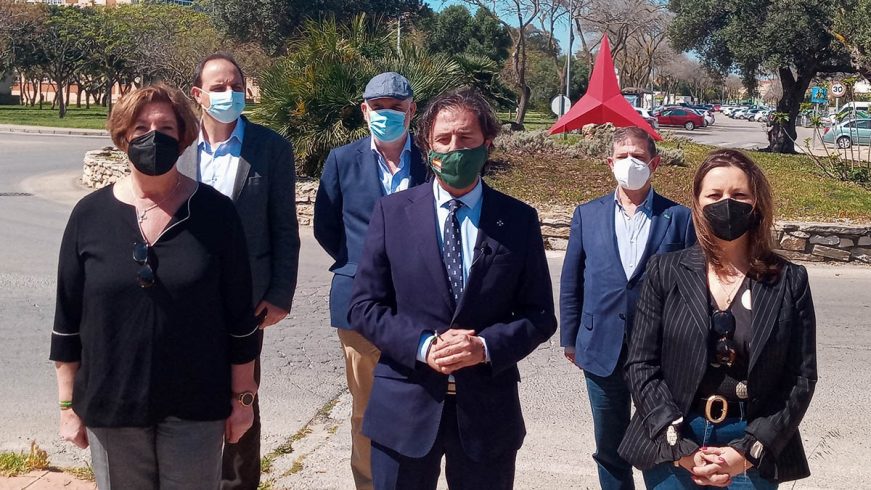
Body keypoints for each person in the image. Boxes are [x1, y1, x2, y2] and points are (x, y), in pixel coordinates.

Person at [51, 83, 260, 490]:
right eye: (141, 128)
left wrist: (243, 399)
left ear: (183, 137)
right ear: (123, 136)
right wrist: (66, 405)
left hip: (197, 405)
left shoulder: (216, 214)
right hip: (112, 405)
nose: (153, 136)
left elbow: (239, 318)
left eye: (165, 128)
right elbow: (67, 319)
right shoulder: (89, 216)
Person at [347, 88, 557, 490]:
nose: (454, 148)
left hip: (487, 413)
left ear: (487, 144)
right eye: (443, 139)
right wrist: (424, 345)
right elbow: (364, 306)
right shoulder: (392, 213)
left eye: (466, 138)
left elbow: (540, 315)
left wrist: (485, 347)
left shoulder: (518, 219)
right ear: (428, 147)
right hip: (404, 407)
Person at [618, 149, 817, 488]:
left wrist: (749, 451)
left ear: (756, 204)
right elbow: (641, 364)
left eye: (739, 195)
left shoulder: (788, 280)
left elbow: (801, 377)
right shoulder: (665, 271)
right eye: (714, 195)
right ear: (697, 204)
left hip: (751, 441)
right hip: (675, 436)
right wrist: (679, 447)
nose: (726, 203)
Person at [176, 52, 301, 490]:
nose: (229, 94)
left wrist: (280, 293)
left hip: (246, 300)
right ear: (198, 94)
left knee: (242, 398)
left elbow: (284, 227)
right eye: (218, 87)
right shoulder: (178, 146)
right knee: (184, 393)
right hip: (183, 297)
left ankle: (238, 483)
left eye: (235, 86)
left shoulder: (271, 148)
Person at [560, 126, 696, 489]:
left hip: (660, 354)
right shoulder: (587, 215)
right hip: (601, 349)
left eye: (638, 156)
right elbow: (572, 281)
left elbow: (693, 288)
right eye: (623, 156)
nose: (630, 163)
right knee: (610, 447)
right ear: (610, 163)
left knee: (664, 439)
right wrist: (570, 338)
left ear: (655, 163)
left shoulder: (679, 218)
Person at [313, 72, 427, 489]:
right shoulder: (342, 160)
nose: (387, 114)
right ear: (365, 111)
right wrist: (363, 267)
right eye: (379, 107)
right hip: (358, 305)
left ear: (412, 111)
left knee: (418, 407)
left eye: (396, 107)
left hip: (420, 307)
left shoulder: (431, 160)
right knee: (365, 409)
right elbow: (327, 227)